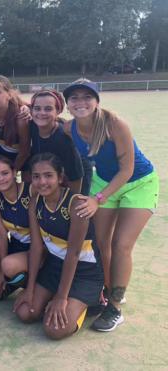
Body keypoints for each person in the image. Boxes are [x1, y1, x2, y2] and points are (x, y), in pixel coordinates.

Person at [62, 79, 159, 332]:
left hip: (139, 183)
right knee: (99, 242)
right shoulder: (68, 128)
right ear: (68, 104)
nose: (80, 102)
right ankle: (107, 289)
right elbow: (39, 115)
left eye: (87, 97)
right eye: (74, 98)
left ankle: (115, 307)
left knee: (121, 244)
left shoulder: (116, 125)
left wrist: (97, 199)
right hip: (104, 181)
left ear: (97, 101)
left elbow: (126, 170)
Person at [13, 153, 104, 340]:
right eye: (36, 176)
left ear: (60, 178)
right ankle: (58, 295)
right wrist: (29, 289)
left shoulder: (76, 204)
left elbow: (73, 254)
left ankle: (88, 303)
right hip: (55, 267)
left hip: (85, 272)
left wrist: (61, 299)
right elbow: (37, 248)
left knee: (54, 329)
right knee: (25, 313)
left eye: (48, 175)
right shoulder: (34, 202)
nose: (42, 182)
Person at [0, 156, 33, 300]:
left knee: (9, 266)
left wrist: (6, 267)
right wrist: (1, 266)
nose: (1, 179)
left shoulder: (30, 190)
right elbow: (1, 232)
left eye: (5, 173)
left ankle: (33, 286)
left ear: (14, 172)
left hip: (39, 249)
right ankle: (13, 281)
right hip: (16, 247)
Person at [26, 89, 85, 193]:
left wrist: (71, 200)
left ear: (58, 111)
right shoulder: (31, 126)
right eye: (37, 108)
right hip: (48, 179)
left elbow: (75, 176)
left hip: (71, 180)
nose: (41, 113)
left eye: (48, 109)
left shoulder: (64, 138)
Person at [0, 75, 30, 171]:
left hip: (22, 157)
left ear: (9, 95)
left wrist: (13, 171)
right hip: (2, 152)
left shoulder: (20, 118)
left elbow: (25, 151)